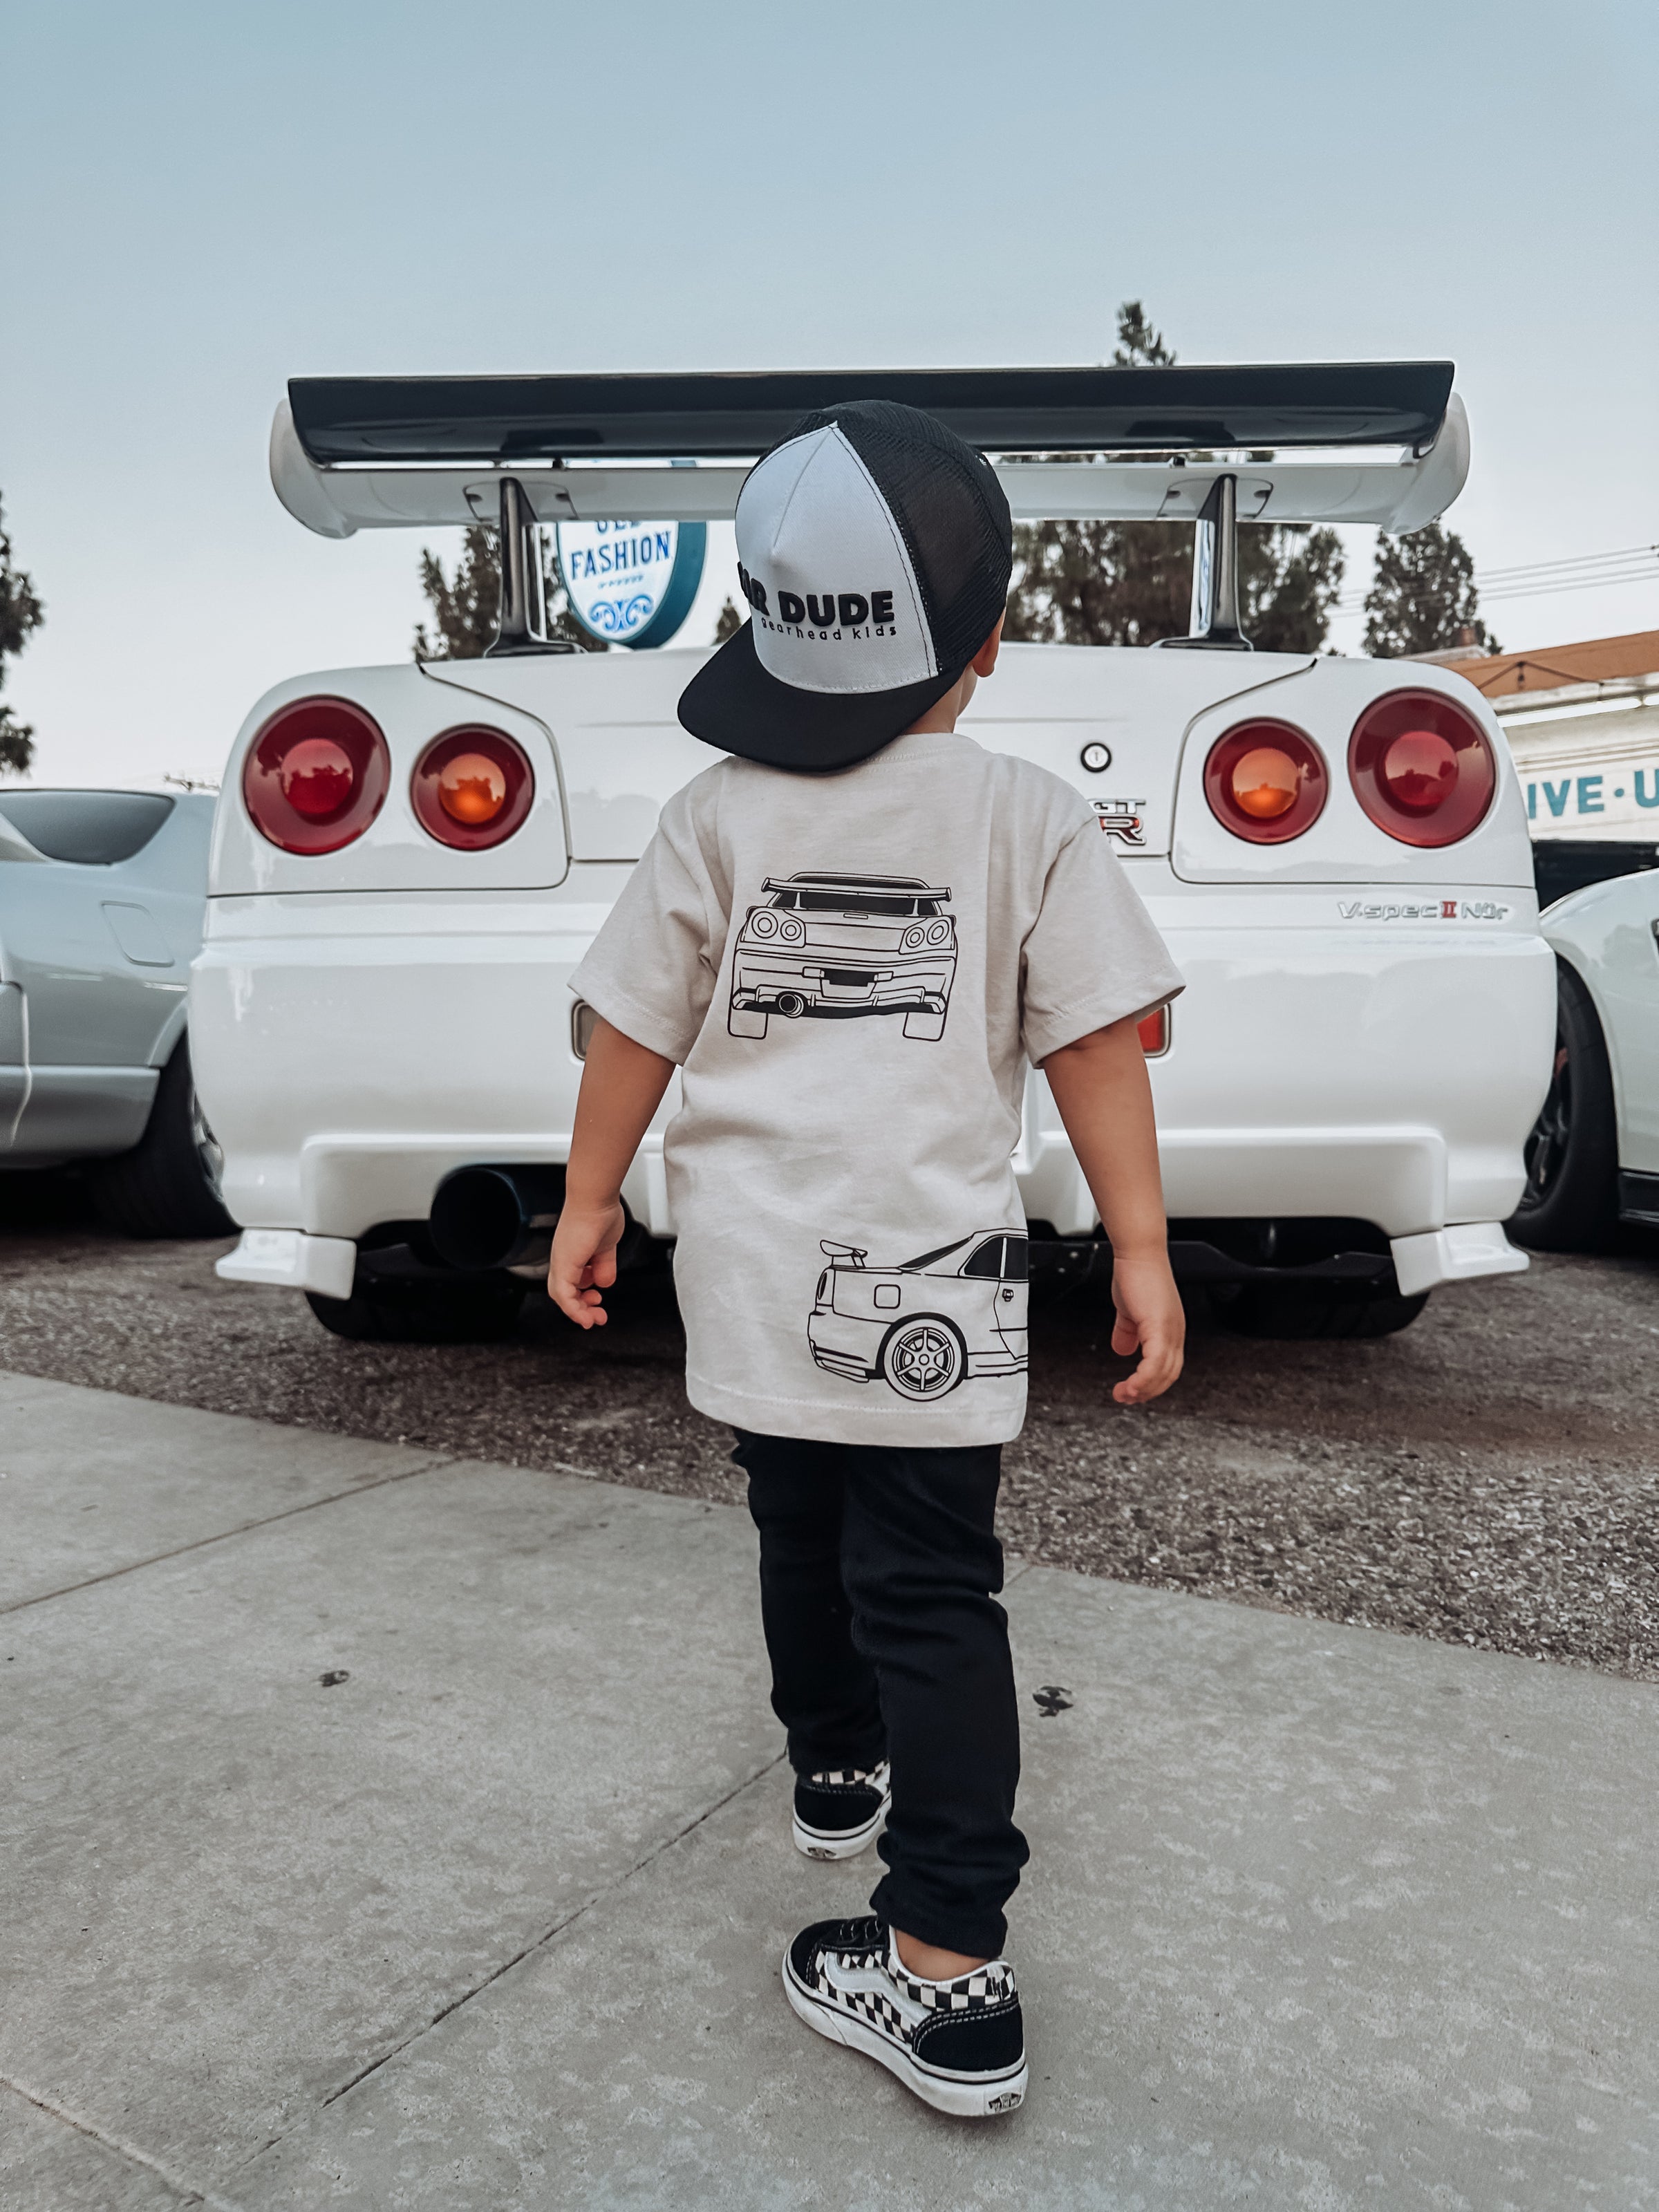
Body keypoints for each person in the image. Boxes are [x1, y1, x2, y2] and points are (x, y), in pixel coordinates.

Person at [549, 398, 1185, 2119]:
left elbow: (630, 1024)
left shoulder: (717, 810)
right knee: (933, 1586)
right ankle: (947, 1965)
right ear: (988, 643)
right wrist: (1141, 1244)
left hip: (755, 1274)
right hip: (939, 1289)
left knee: (792, 1517)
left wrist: (589, 1197)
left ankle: (838, 1772)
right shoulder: (1023, 817)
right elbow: (1105, 1043)